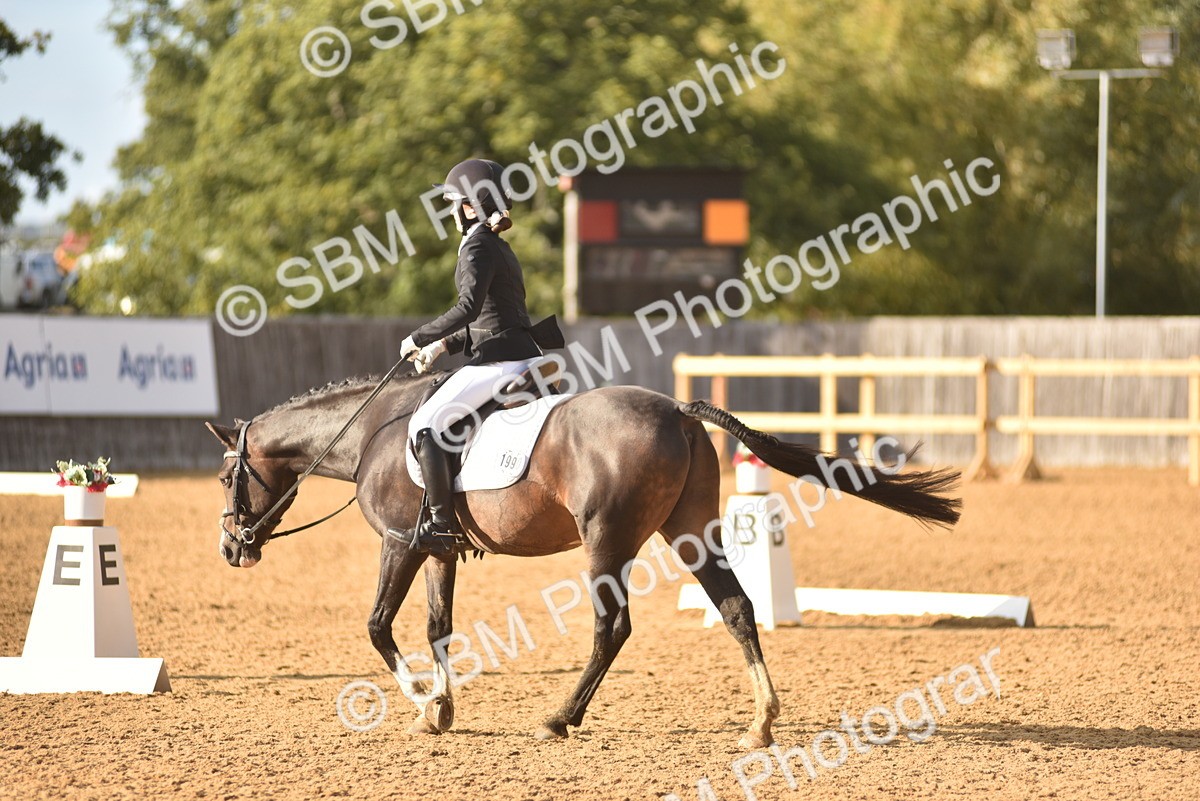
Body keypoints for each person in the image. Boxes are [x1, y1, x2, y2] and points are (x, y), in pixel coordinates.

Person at [388, 158, 563, 555]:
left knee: (425, 426)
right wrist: (441, 347)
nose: (450, 210)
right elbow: (492, 316)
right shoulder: (497, 246)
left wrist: (417, 336)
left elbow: (467, 308)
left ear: (469, 206)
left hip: (500, 361)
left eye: (452, 202)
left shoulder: (478, 247)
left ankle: (442, 525)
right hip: (520, 353)